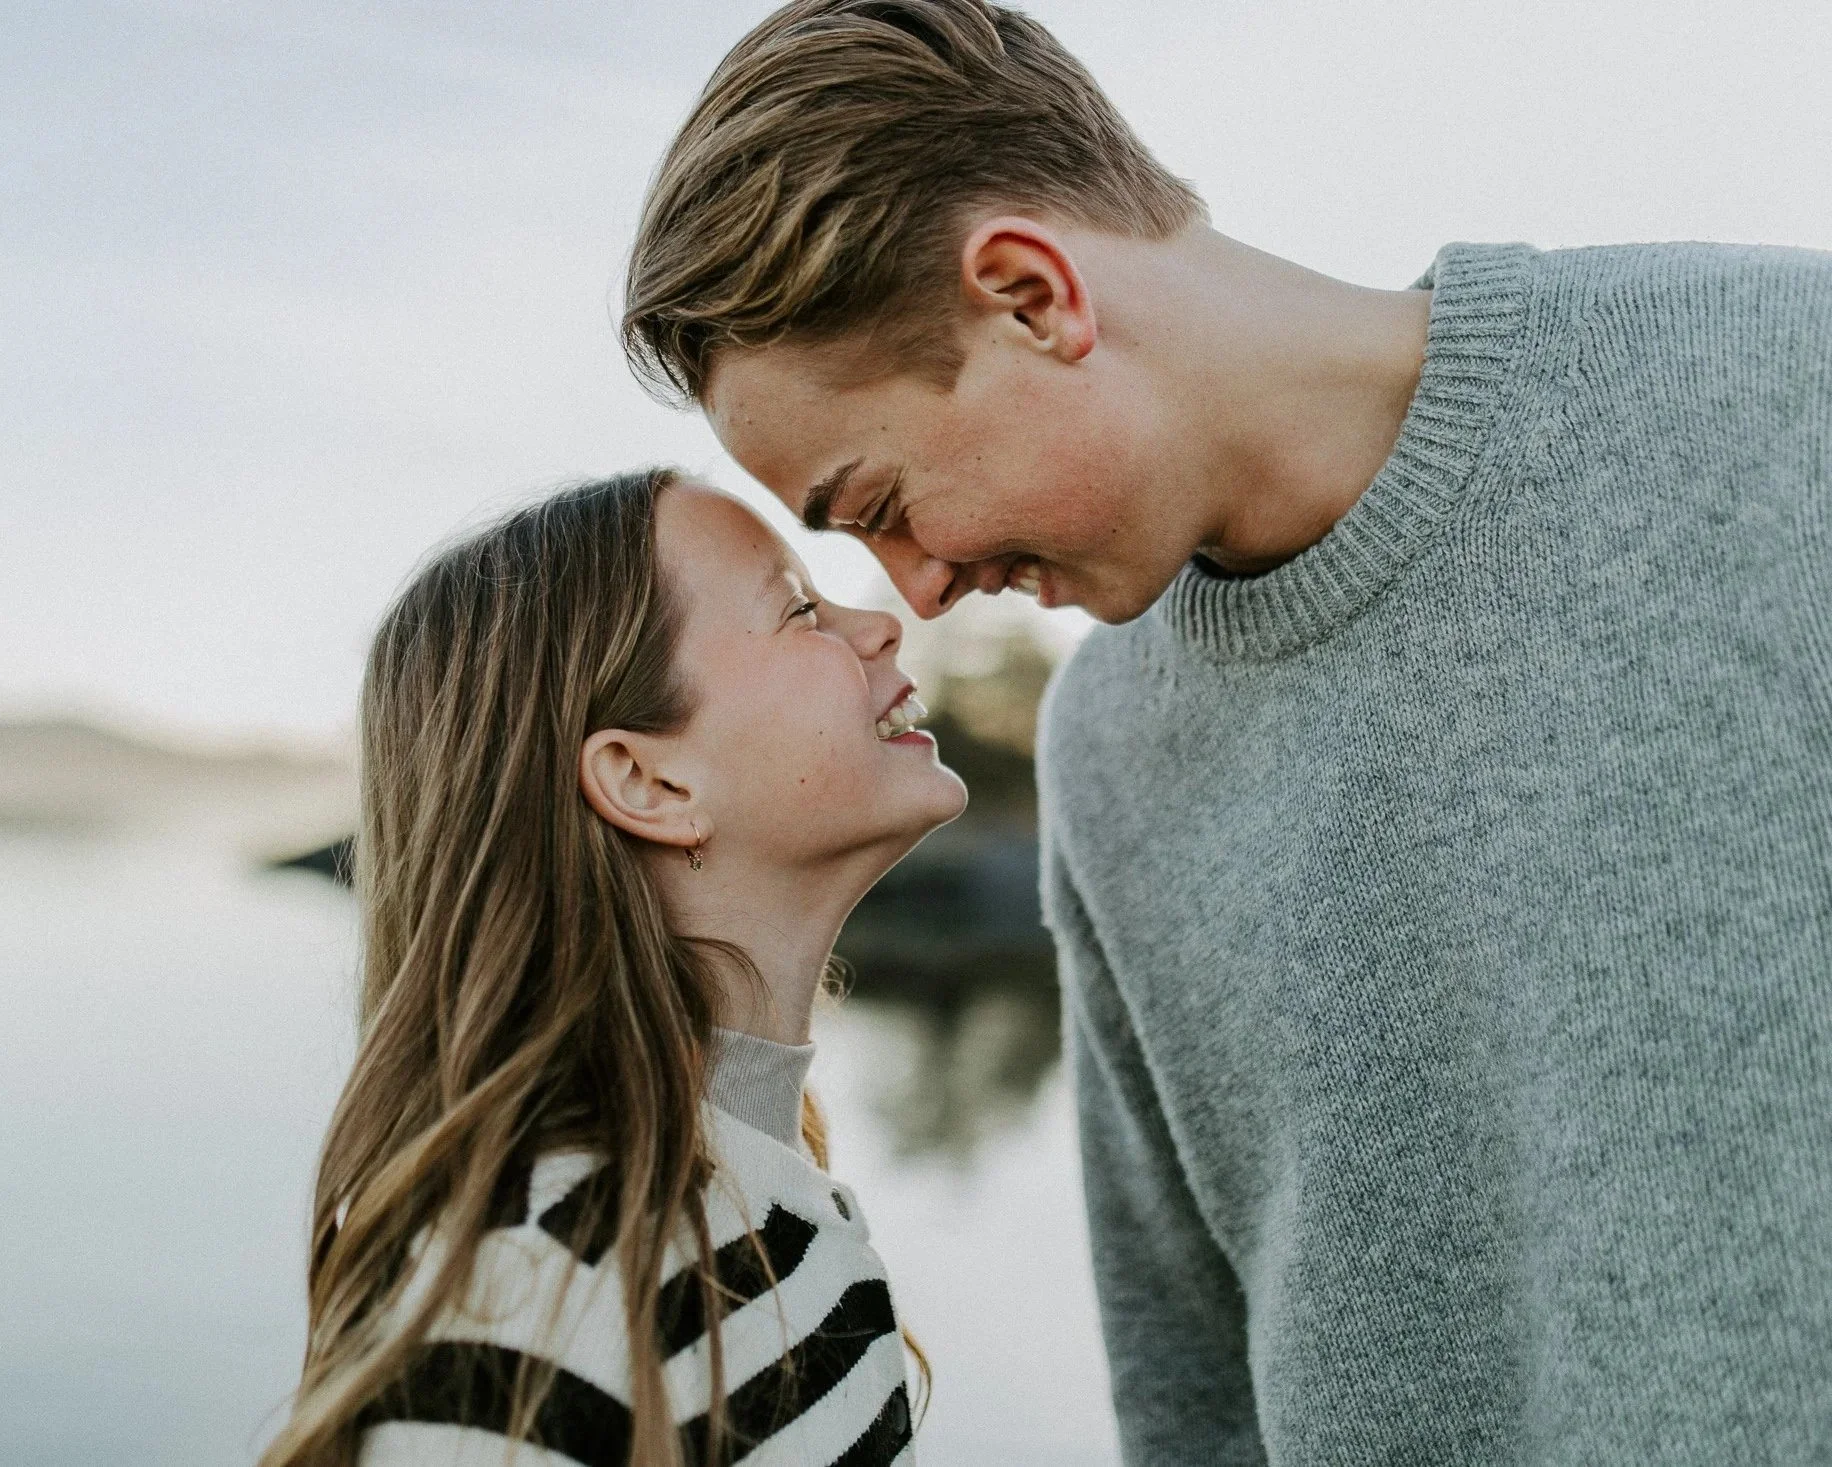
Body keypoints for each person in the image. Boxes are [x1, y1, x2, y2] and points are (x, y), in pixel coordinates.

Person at [621, 2, 1832, 1463]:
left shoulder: (1788, 391)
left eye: (881, 503)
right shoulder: (1110, 744)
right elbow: (1186, 1376)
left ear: (1030, 296)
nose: (917, 592)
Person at [259, 469, 962, 1467]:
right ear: (647, 781)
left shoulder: (756, 1194)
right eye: (799, 609)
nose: (881, 625)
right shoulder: (534, 1297)